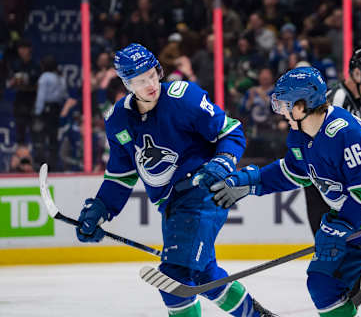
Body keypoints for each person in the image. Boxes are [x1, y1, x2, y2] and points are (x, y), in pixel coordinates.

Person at [209, 66, 361, 316]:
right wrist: (248, 181)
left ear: (301, 106)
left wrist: (339, 226)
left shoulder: (344, 133)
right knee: (323, 286)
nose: (281, 112)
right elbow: (292, 171)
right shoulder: (300, 135)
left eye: (284, 104)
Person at [74, 43, 276, 317]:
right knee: (205, 276)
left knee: (174, 277)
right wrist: (100, 209)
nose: (150, 84)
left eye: (152, 74)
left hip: (204, 192)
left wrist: (221, 162)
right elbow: (121, 174)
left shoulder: (185, 98)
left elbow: (232, 132)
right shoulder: (118, 120)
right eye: (140, 80)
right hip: (171, 205)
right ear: (126, 83)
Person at [304, 48, 361, 236]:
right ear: (357, 74)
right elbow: (324, 145)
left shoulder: (355, 101)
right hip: (324, 183)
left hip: (334, 182)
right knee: (332, 247)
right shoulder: (337, 99)